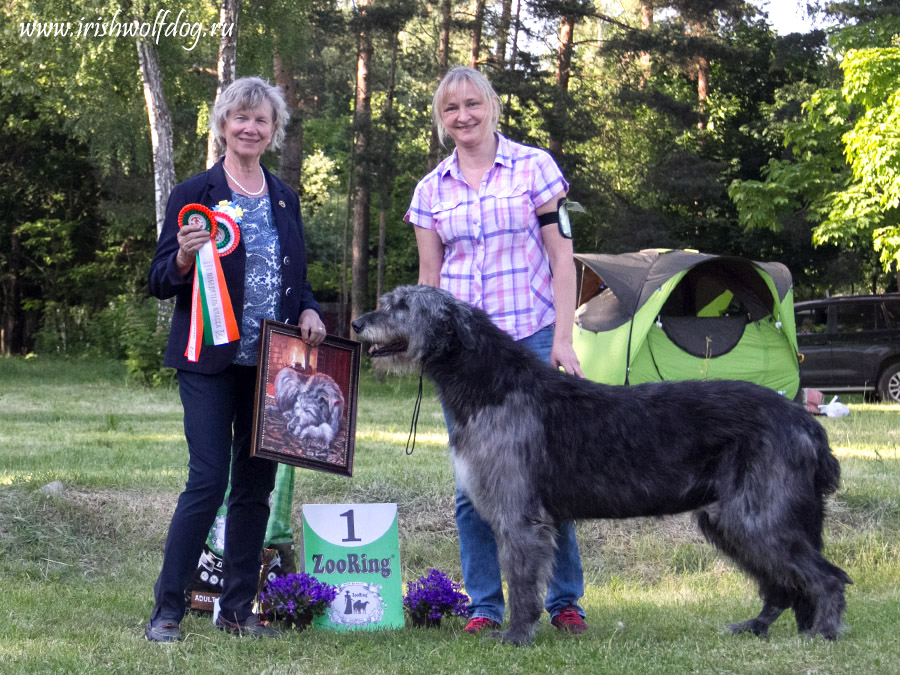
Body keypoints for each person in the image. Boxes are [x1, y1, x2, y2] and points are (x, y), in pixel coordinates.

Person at [405, 66, 588, 635]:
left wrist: (563, 336)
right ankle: (485, 606)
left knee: (548, 481)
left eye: (472, 104)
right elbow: (429, 278)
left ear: (491, 107)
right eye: (450, 109)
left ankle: (564, 602)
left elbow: (562, 259)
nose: (462, 116)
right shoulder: (430, 190)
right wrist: (424, 349)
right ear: (441, 119)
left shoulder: (536, 168)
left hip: (530, 339)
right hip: (464, 359)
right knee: (472, 488)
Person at [145, 76, 326, 642]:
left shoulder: (284, 196)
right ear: (223, 124)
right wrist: (180, 259)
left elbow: (295, 278)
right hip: (206, 360)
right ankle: (168, 611)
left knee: (254, 489)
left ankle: (238, 610)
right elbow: (158, 281)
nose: (250, 128)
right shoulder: (193, 192)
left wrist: (312, 310)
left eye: (261, 121)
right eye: (240, 118)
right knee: (207, 481)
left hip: (272, 367)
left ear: (273, 132)